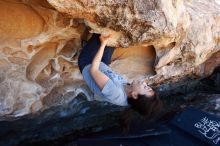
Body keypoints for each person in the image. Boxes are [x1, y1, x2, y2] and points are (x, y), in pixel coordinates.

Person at [78, 33, 162, 119]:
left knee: (102, 34)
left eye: (145, 87)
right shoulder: (130, 91)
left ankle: (89, 47)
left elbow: (93, 70)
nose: (144, 83)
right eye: (147, 86)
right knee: (115, 36)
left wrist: (103, 44)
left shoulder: (116, 94)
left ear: (135, 95)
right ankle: (91, 46)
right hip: (102, 65)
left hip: (88, 63)